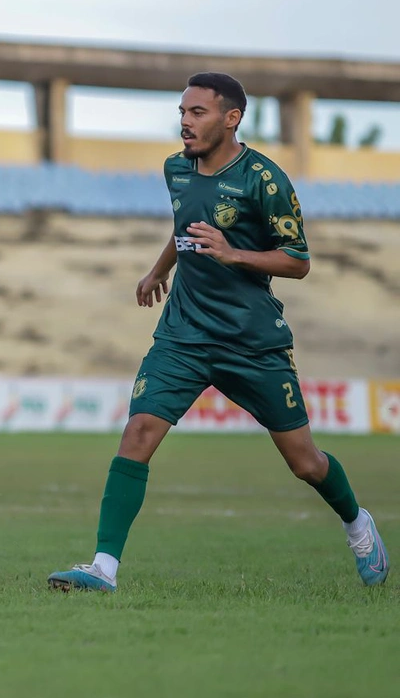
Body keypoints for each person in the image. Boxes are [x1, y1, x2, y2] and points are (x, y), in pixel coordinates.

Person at [48, 73, 389, 593]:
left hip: (252, 341)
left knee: (305, 462)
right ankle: (103, 568)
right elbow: (186, 225)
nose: (185, 122)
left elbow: (298, 262)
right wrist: (160, 268)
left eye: (198, 112)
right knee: (138, 433)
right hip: (183, 334)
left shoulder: (265, 181)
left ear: (232, 118)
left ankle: (357, 523)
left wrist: (233, 253)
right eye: (182, 111)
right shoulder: (175, 169)